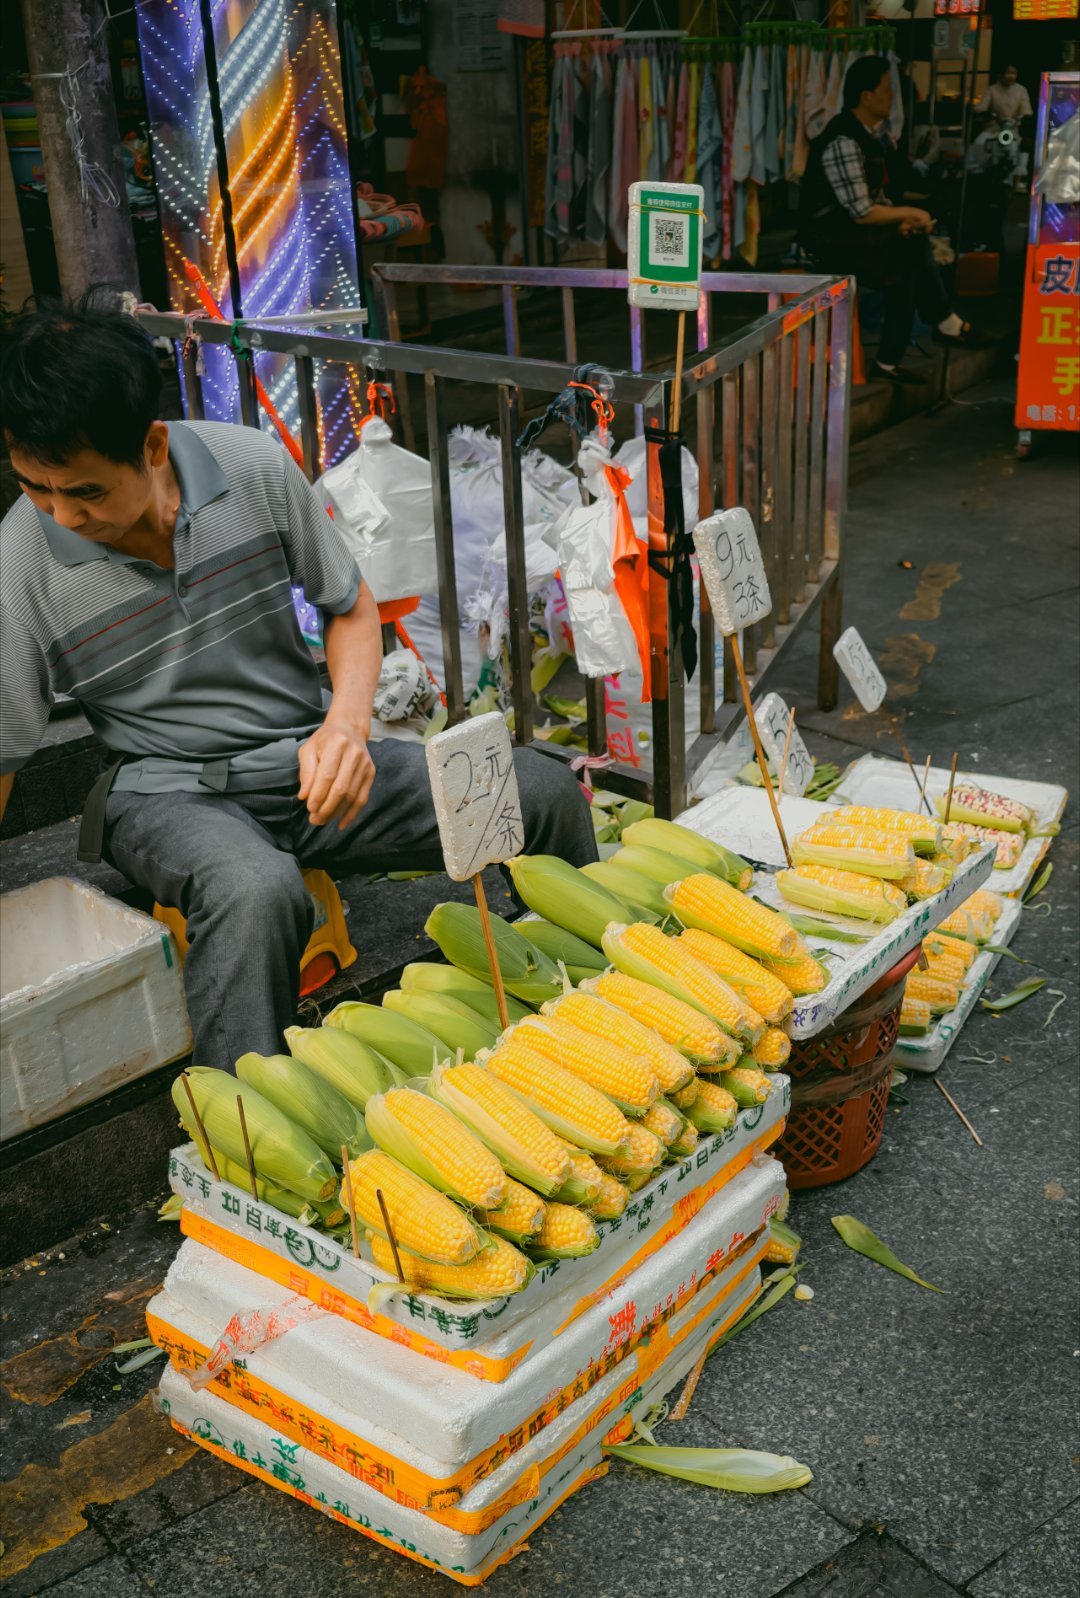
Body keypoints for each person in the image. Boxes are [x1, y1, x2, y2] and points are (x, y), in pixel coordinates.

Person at [0, 300, 598, 1066]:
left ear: (152, 446)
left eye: (84, 492)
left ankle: (595, 1005)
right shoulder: (21, 560)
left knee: (538, 788)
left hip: (308, 763)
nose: (60, 515)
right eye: (33, 487)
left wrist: (344, 729)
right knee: (256, 889)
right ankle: (244, 1128)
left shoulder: (250, 466)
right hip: (164, 793)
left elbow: (350, 608)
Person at [799, 54, 974, 384]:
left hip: (854, 233)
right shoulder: (843, 139)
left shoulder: (873, 136)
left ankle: (896, 356)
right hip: (827, 241)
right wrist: (908, 214)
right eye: (887, 90)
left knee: (907, 255)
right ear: (866, 96)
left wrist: (903, 219)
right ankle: (937, 325)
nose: (892, 96)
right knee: (908, 255)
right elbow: (861, 211)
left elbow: (879, 200)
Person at [975, 66, 1033, 133]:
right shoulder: (992, 89)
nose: (1010, 76)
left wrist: (1022, 117)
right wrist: (979, 110)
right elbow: (982, 106)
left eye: (1013, 73)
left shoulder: (1022, 90)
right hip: (993, 128)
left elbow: (1026, 110)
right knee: (979, 141)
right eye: (1008, 73)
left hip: (1012, 128)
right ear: (1001, 74)